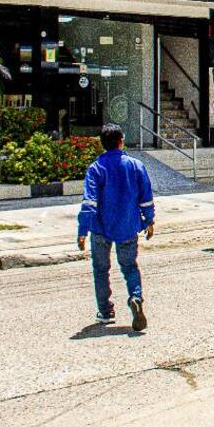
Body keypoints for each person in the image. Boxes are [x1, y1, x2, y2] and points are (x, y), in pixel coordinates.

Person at [77, 123, 154, 332]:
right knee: (129, 267)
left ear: (102, 144)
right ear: (121, 142)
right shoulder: (136, 166)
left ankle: (105, 311)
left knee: (101, 269)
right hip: (128, 225)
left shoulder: (96, 168)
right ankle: (135, 297)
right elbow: (146, 198)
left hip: (100, 227)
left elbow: (89, 202)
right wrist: (149, 220)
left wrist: (82, 230)